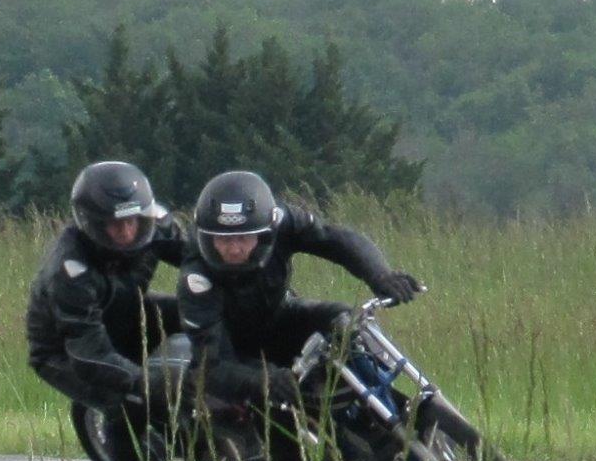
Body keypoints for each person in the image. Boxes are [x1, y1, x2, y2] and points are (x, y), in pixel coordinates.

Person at [177, 170, 422, 408]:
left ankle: (392, 399)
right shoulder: (196, 279)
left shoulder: (283, 221)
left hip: (282, 320)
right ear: (207, 237)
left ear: (265, 234)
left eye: (243, 238)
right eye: (224, 239)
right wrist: (263, 381)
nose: (234, 249)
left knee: (346, 320)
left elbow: (335, 239)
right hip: (236, 352)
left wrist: (380, 275)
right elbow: (211, 367)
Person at [26, 161, 184, 418]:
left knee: (191, 313)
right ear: (94, 223)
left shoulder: (156, 226)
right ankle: (123, 440)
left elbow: (198, 260)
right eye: (115, 224)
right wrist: (150, 384)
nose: (127, 231)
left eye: (132, 221)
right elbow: (89, 353)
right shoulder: (69, 270)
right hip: (67, 347)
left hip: (127, 314)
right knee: (129, 404)